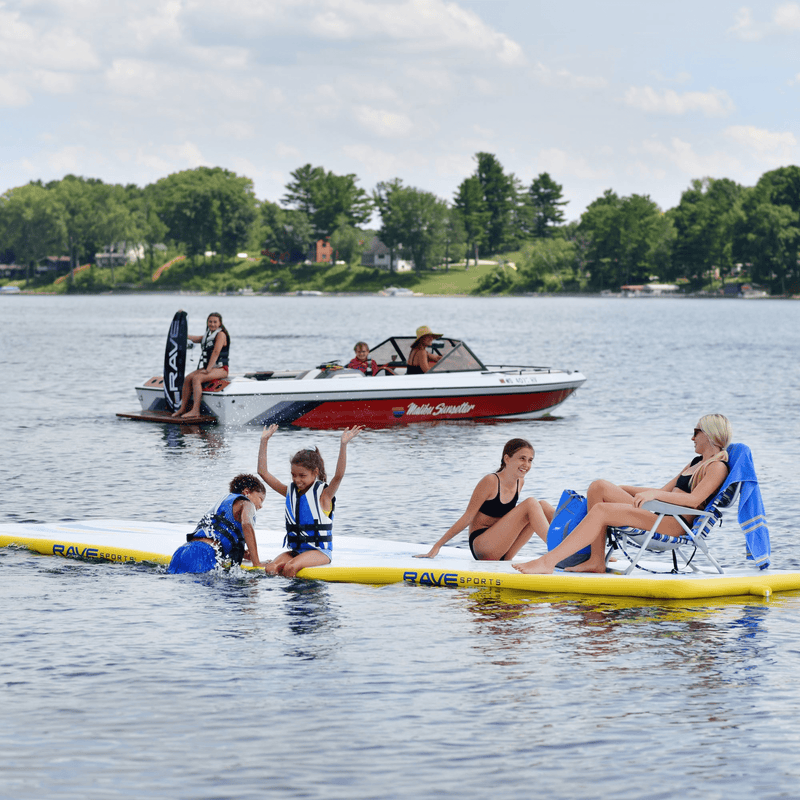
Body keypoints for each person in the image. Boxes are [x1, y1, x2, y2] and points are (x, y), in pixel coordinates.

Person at [514, 414, 732, 575]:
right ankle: (596, 560)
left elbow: (693, 501)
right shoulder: (696, 463)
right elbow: (664, 491)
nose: (691, 438)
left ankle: (547, 562)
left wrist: (653, 496)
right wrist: (624, 489)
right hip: (659, 512)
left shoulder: (716, 467)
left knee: (602, 510)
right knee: (599, 487)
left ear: (710, 435)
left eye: (696, 432)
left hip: (673, 523)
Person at [414, 438, 555, 561]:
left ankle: (571, 548)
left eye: (530, 460)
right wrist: (438, 545)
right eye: (522, 458)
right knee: (531, 503)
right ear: (507, 459)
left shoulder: (520, 482)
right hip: (482, 547)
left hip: (503, 549)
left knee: (541, 505)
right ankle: (558, 551)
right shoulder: (491, 481)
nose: (526, 464)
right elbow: (467, 517)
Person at [258, 424, 363, 578]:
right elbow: (263, 472)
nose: (297, 480)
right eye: (293, 475)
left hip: (320, 552)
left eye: (302, 475)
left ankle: (298, 600)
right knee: (270, 568)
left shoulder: (324, 495)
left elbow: (338, 476)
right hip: (296, 551)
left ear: (315, 473)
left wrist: (343, 444)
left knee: (290, 567)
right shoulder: (290, 492)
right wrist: (264, 441)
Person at [167, 474, 266, 574]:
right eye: (260, 499)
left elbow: (216, 537)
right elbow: (247, 525)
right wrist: (256, 562)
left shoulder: (224, 501)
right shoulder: (247, 503)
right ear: (247, 492)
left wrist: (242, 554)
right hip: (202, 554)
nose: (261, 506)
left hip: (182, 551)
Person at [172, 312, 230, 419]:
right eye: (210, 321)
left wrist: (208, 369)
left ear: (220, 323)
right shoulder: (208, 335)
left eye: (215, 322)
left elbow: (216, 352)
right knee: (188, 378)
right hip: (210, 368)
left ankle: (195, 410)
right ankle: (183, 408)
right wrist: (182, 334)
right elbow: (195, 338)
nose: (212, 324)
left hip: (221, 369)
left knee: (197, 378)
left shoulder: (221, 335)